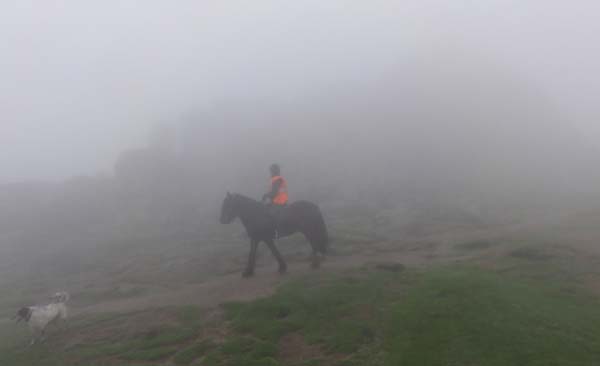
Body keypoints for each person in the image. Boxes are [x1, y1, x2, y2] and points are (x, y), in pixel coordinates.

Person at [262, 164, 288, 237]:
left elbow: (274, 192)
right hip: (277, 201)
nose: (270, 173)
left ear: (274, 171)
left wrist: (266, 195)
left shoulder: (277, 179)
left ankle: (278, 232)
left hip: (280, 201)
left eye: (271, 171)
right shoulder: (275, 179)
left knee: (272, 215)